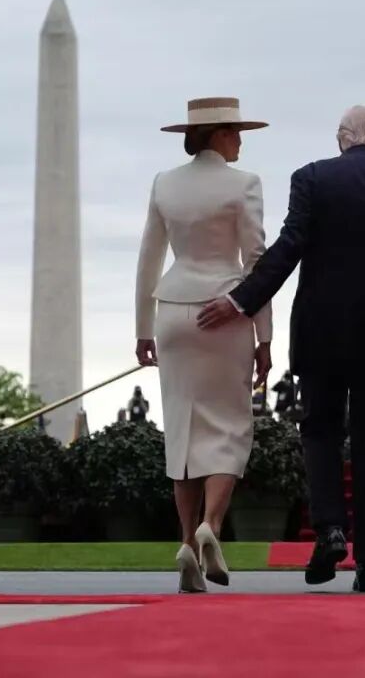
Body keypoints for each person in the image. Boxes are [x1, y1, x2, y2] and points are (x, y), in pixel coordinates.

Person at [212, 106, 365, 592]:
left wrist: (242, 300)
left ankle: (331, 528)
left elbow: (289, 247)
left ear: (341, 139)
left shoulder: (312, 179)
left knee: (320, 433)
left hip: (323, 332)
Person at [135, 96, 273, 593]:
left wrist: (142, 329)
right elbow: (256, 262)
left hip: (172, 311)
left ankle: (185, 546)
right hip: (226, 310)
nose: (240, 142)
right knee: (229, 426)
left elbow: (149, 257)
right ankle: (210, 525)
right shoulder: (244, 184)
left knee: (183, 431)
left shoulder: (164, 183)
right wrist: (264, 336)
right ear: (218, 134)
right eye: (235, 132)